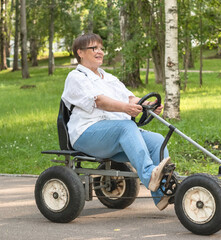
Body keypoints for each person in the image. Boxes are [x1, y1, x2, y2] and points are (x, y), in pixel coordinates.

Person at [61, 33, 172, 210]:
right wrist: (124, 109)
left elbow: (131, 98)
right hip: (87, 133)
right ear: (80, 52)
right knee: (126, 127)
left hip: (115, 134)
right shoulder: (76, 77)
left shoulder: (109, 78)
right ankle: (150, 176)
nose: (100, 52)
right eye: (94, 48)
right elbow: (99, 101)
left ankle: (164, 192)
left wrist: (149, 105)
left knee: (157, 141)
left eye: (101, 48)